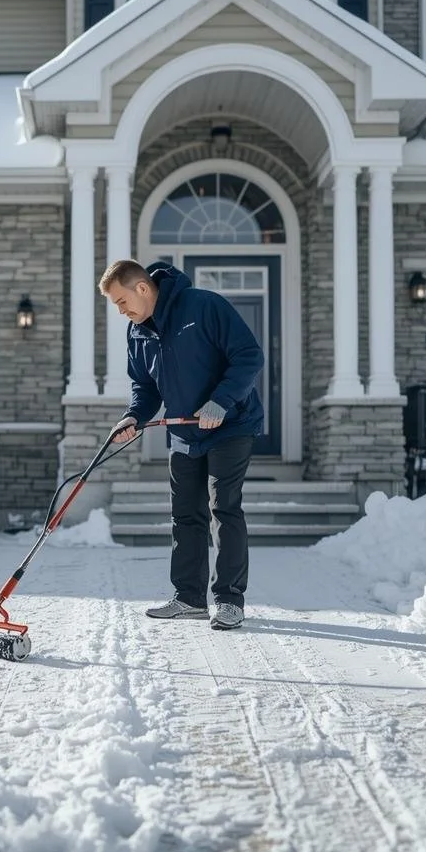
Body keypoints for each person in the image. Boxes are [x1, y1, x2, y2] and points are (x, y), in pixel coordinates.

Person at [99, 258, 265, 630]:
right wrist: (134, 417)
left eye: (121, 301)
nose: (121, 311)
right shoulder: (137, 332)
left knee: (224, 507)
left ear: (142, 288)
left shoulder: (203, 306)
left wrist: (221, 400)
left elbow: (249, 356)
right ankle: (189, 598)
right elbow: (144, 387)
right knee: (186, 515)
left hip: (232, 425)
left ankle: (229, 600)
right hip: (186, 432)